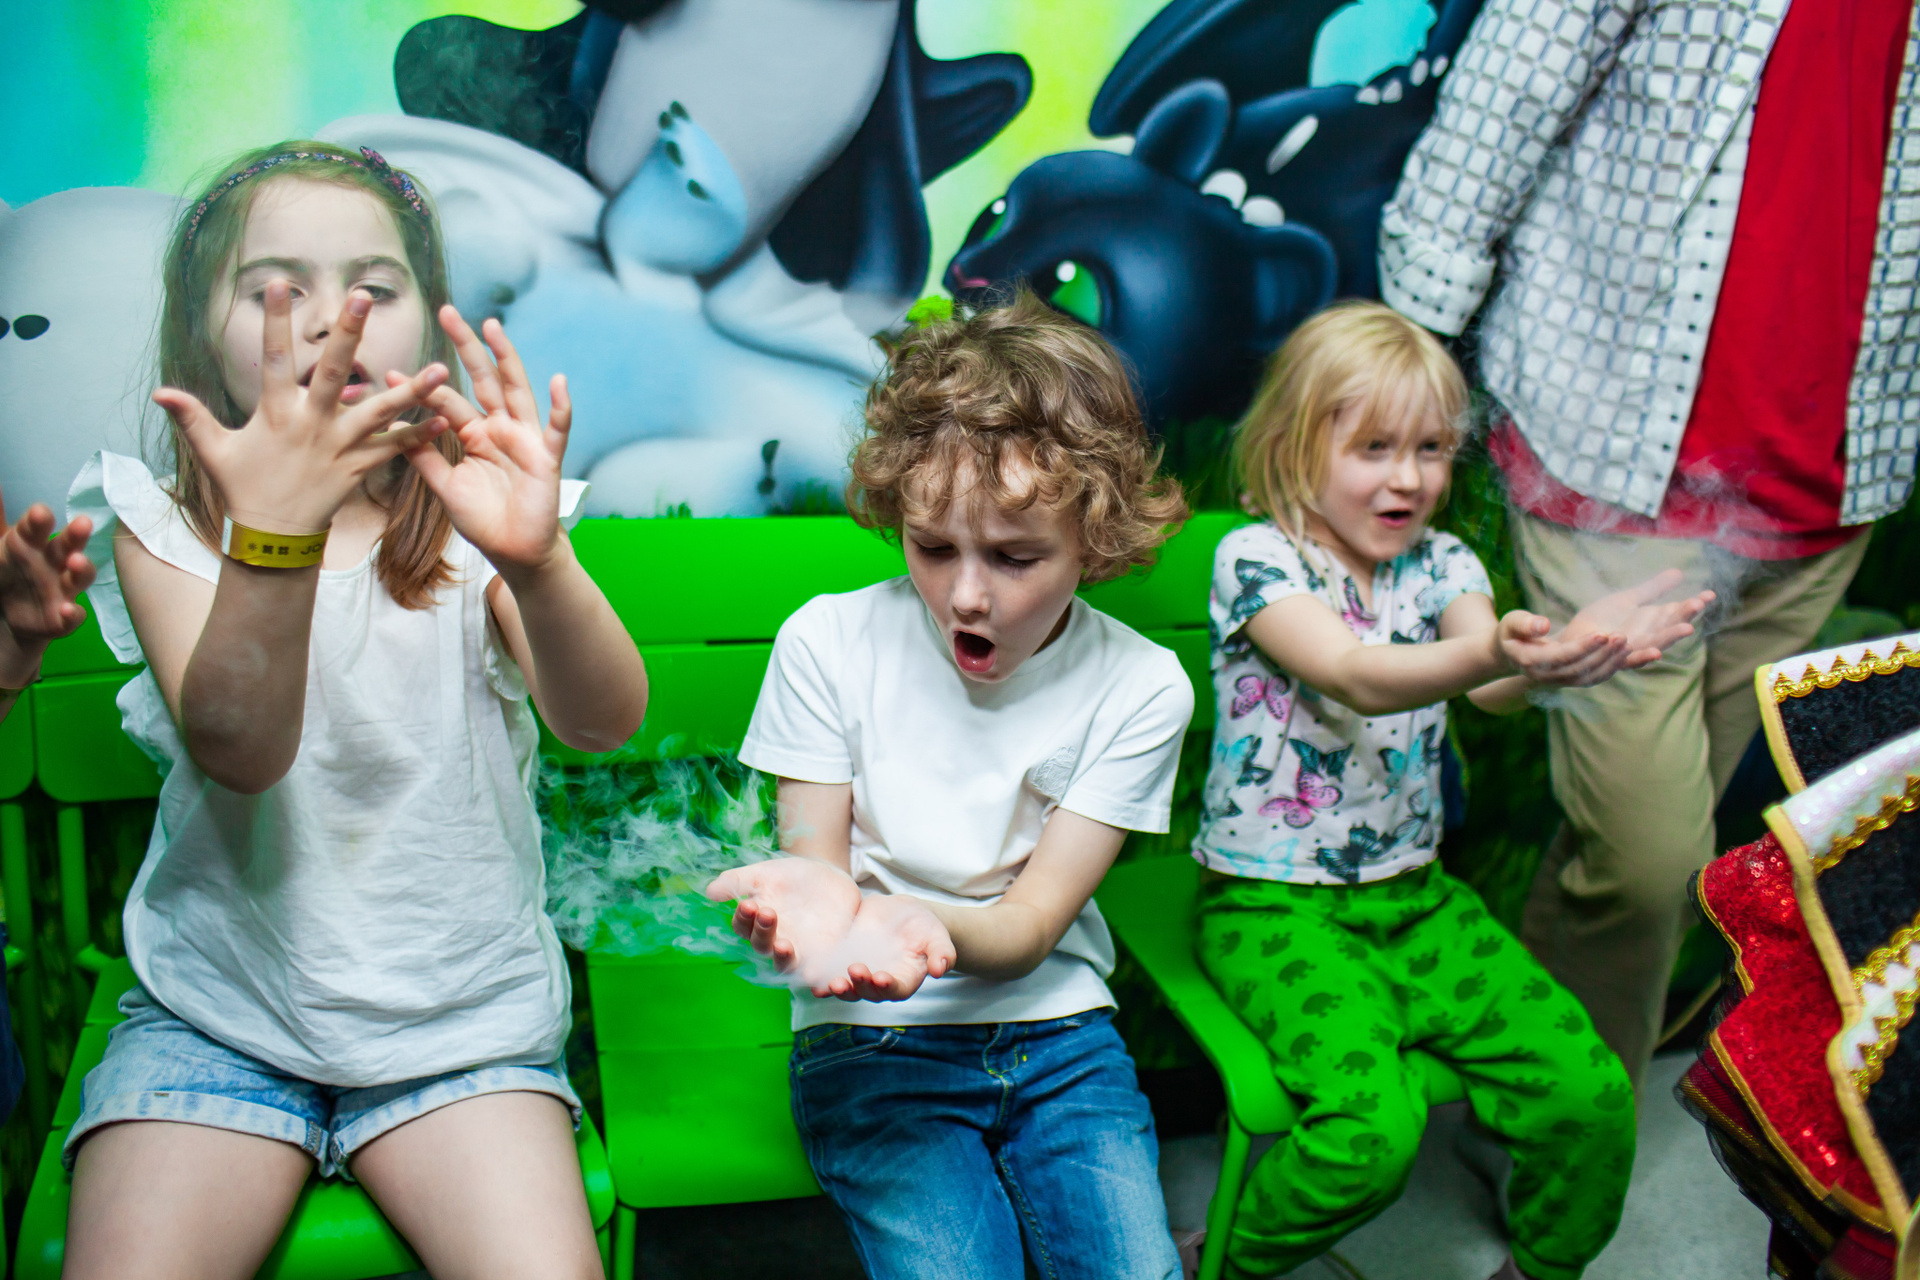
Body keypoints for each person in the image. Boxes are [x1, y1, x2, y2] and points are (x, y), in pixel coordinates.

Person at [60, 140, 647, 1280]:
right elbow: (241, 748)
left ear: (429, 324)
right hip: (218, 1023)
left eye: (375, 286)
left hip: (461, 1032)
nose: (335, 320)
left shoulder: (478, 509)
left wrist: (539, 564)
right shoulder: (159, 523)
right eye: (274, 290)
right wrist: (276, 534)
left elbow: (601, 721)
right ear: (201, 335)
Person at [1379, 0, 1919, 1084]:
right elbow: (1514, 77)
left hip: (1833, 470)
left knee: (1661, 850)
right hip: (1616, 455)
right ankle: (1557, 1141)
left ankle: (1540, 1108)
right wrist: (1415, 335)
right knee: (1647, 857)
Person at [1193, 302, 1712, 1280]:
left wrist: (1560, 657)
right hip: (1273, 909)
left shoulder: (1444, 563)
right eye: (1376, 447)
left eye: (1431, 448)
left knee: (1593, 1091)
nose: (1410, 476)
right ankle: (1216, 1263)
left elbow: (1492, 685)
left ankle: (1540, 1268)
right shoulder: (1257, 558)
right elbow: (1352, 673)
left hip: (1420, 903)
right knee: (1370, 1136)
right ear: (1294, 444)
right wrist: (1496, 651)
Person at [706, 291, 1194, 1279]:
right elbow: (821, 872)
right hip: (873, 1044)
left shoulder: (1143, 685)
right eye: (933, 547)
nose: (967, 595)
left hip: (1061, 1037)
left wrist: (925, 926)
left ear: (1094, 537)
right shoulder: (829, 642)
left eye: (1015, 557)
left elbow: (1029, 928)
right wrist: (819, 914)